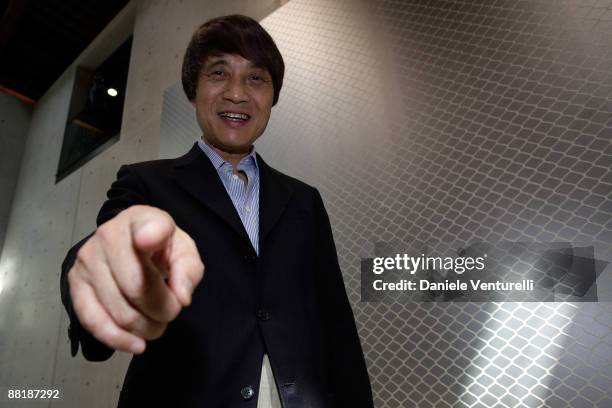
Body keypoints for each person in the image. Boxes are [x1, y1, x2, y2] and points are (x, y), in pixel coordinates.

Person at [60, 14, 374, 407]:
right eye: (219, 73)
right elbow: (105, 250)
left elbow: (337, 326)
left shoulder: (303, 200)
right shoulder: (147, 184)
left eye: (256, 78)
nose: (237, 93)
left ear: (272, 97)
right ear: (193, 91)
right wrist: (94, 274)